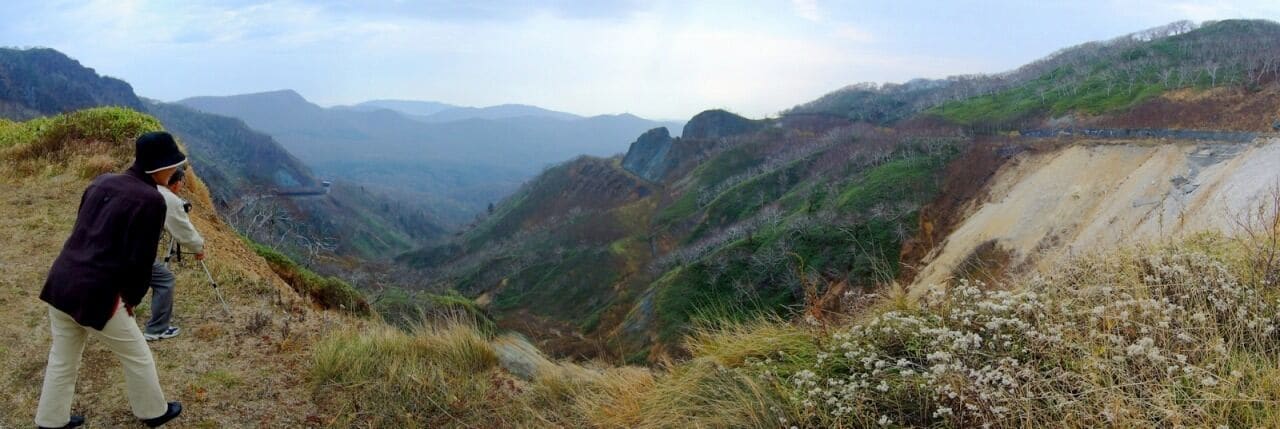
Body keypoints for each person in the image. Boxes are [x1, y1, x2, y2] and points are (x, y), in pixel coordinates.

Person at [35, 131, 185, 429]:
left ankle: (51, 421)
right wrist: (131, 299)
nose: (176, 171)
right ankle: (153, 412)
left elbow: (83, 228)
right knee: (138, 355)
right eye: (174, 165)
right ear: (159, 167)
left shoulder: (101, 181)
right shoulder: (151, 200)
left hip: (61, 280)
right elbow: (140, 259)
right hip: (97, 292)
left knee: (63, 358)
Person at [144, 167, 204, 341]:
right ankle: (156, 329)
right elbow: (184, 232)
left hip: (114, 244)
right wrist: (199, 248)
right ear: (177, 183)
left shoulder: (149, 188)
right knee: (164, 280)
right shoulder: (169, 199)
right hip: (131, 252)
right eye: (182, 182)